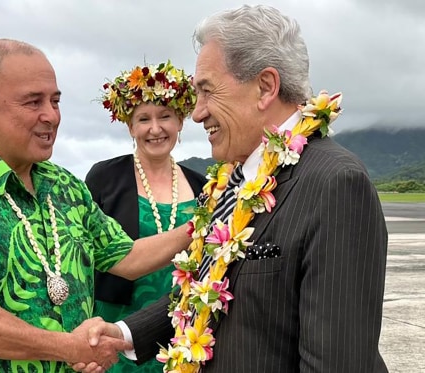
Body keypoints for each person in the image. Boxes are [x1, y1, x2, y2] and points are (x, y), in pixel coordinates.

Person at [74, 5, 388, 373]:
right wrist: (124, 333)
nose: (197, 113)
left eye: (207, 91)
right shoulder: (230, 180)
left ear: (265, 87)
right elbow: (204, 290)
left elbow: (337, 363)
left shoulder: (335, 184)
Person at [0, 39, 196, 373]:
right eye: (34, 102)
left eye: (55, 101)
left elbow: (126, 257)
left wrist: (207, 224)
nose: (52, 116)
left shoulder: (65, 186)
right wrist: (70, 347)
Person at [85, 60, 206, 372]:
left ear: (180, 120)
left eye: (165, 116)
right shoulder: (104, 178)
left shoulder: (202, 185)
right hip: (116, 329)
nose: (155, 128)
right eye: (143, 119)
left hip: (182, 327)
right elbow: (84, 261)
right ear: (130, 127)